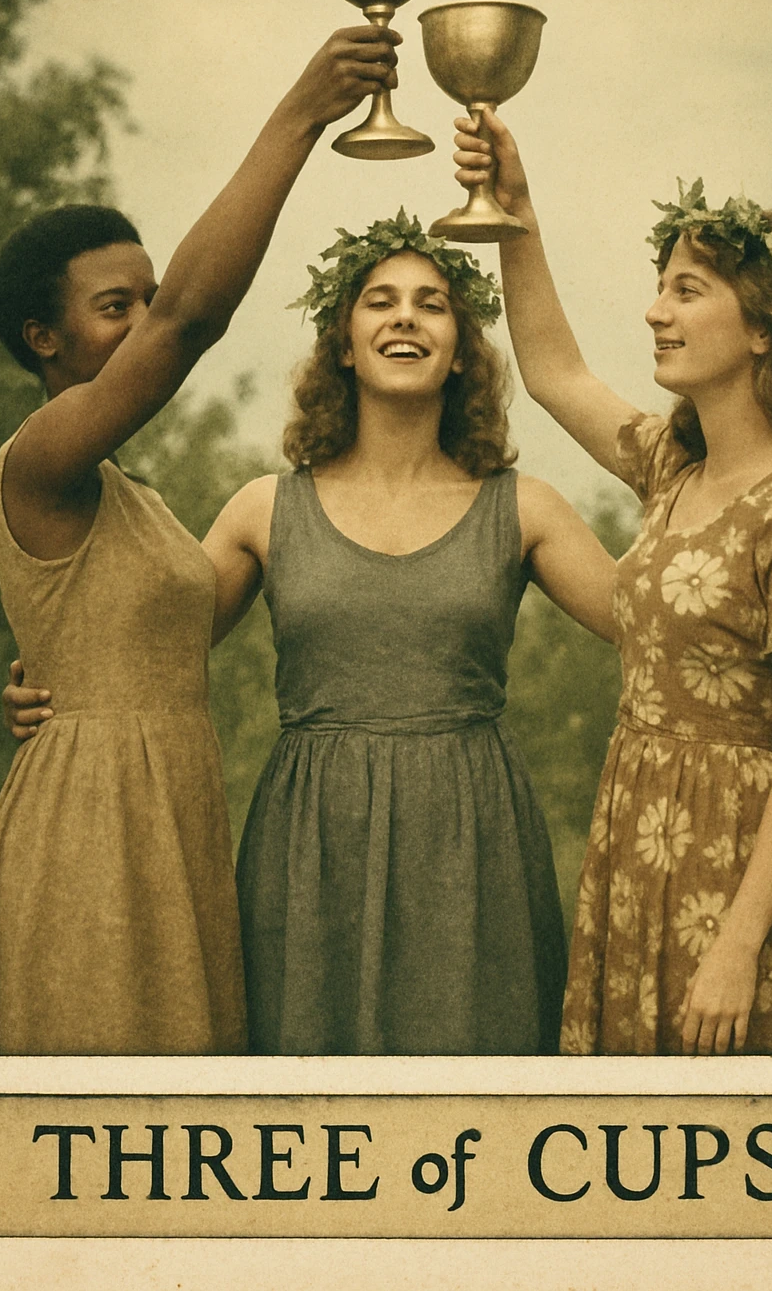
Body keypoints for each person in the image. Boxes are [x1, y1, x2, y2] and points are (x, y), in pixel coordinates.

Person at [0, 23, 402, 1056]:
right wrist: (302, 114)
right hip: (90, 829)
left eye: (148, 297)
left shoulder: (133, 498)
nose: (146, 319)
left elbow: (187, 613)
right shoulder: (39, 458)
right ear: (45, 339)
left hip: (166, 822)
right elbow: (188, 329)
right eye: (116, 306)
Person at [453, 116, 772, 1058]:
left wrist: (738, 943)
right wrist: (515, 211)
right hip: (637, 836)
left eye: (687, 290)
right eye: (658, 287)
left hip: (739, 868)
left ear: (763, 327)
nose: (654, 311)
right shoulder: (677, 464)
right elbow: (554, 371)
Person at [199, 211, 617, 1055]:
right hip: (309, 847)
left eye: (431, 305)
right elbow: (136, 653)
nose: (404, 317)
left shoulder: (523, 506)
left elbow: (662, 629)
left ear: (461, 350)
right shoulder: (261, 509)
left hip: (474, 844)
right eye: (379, 301)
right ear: (343, 345)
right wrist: (40, 687)